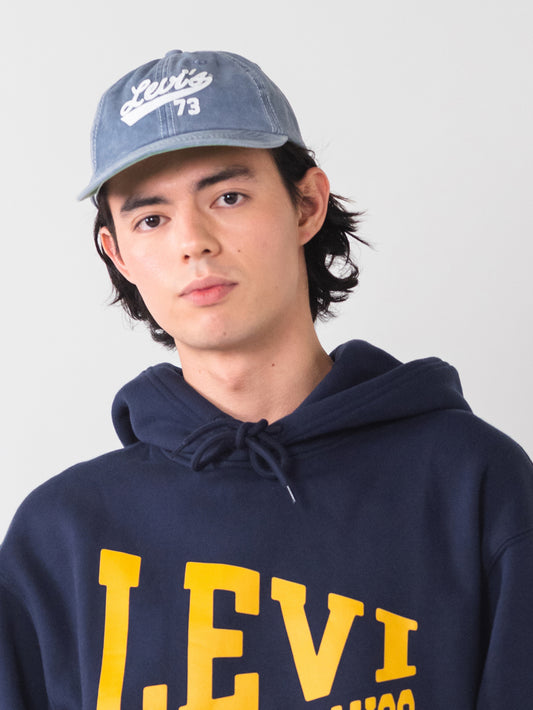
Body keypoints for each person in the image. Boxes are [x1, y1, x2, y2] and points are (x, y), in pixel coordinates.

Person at [0, 49, 532, 710]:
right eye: (151, 218)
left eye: (228, 197)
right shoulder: (61, 538)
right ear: (118, 253)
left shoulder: (470, 482)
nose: (193, 241)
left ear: (307, 204)